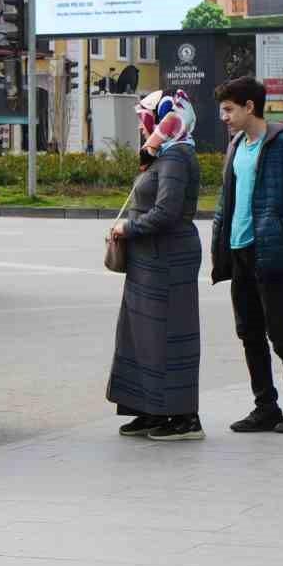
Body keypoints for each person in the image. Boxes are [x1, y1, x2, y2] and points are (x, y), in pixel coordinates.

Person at [210, 76, 283, 434]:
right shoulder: (236, 145)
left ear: (250, 107)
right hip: (240, 250)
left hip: (270, 252)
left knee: (280, 333)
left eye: (229, 109)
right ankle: (266, 407)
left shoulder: (281, 143)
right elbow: (227, 198)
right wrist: (220, 240)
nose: (224, 117)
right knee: (249, 332)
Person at [108, 90, 204, 440]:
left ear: (166, 118)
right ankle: (150, 410)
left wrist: (127, 227)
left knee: (168, 336)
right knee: (141, 336)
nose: (142, 123)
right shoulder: (165, 153)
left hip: (169, 258)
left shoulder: (177, 156)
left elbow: (166, 213)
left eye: (147, 117)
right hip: (148, 259)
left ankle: (183, 416)